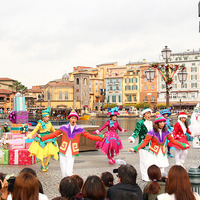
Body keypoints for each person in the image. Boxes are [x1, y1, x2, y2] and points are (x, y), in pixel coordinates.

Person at [40, 110, 103, 177]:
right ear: (69, 119)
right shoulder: (64, 128)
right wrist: (41, 138)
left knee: (68, 172)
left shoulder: (80, 129)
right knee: (63, 172)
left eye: (75, 118)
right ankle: (65, 185)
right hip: (63, 151)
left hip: (72, 152)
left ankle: (71, 183)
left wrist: (101, 137)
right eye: (72, 118)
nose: (73, 120)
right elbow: (53, 134)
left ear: (76, 120)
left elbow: (90, 136)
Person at [27, 107, 59, 172]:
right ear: (43, 118)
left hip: (49, 137)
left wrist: (59, 133)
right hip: (42, 138)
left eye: (48, 117)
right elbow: (35, 130)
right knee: (41, 152)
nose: (47, 118)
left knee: (50, 152)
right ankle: (42, 164)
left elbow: (53, 130)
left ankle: (46, 162)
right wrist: (30, 135)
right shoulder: (39, 123)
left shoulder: (49, 123)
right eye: (46, 117)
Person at [128, 107, 153, 181]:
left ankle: (149, 174)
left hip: (151, 144)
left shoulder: (151, 123)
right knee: (143, 161)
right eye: (147, 113)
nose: (149, 115)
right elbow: (136, 131)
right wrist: (132, 138)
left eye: (150, 113)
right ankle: (144, 176)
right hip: (142, 143)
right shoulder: (140, 123)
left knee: (150, 161)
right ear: (144, 114)